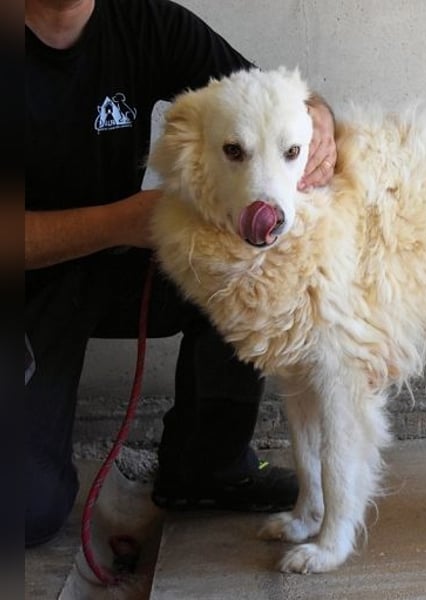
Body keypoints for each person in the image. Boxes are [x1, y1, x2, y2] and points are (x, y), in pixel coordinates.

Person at [25, 0, 337, 547]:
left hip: (119, 264)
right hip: (28, 285)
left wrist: (321, 119)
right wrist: (116, 222)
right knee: (26, 511)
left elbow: (272, 96)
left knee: (244, 257)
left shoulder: (148, 22)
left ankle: (208, 464)